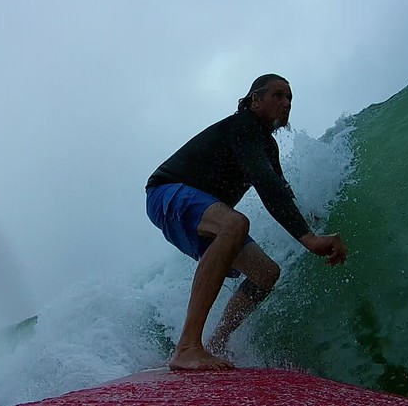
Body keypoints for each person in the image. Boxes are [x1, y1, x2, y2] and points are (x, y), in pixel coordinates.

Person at [145, 74, 348, 371]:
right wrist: (308, 239)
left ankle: (216, 343)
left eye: (290, 98)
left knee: (265, 273)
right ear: (255, 99)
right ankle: (188, 347)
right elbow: (266, 183)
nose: (286, 103)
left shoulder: (266, 146)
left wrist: (312, 222)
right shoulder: (244, 126)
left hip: (199, 210)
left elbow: (280, 190)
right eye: (278, 95)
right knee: (235, 223)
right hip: (167, 192)